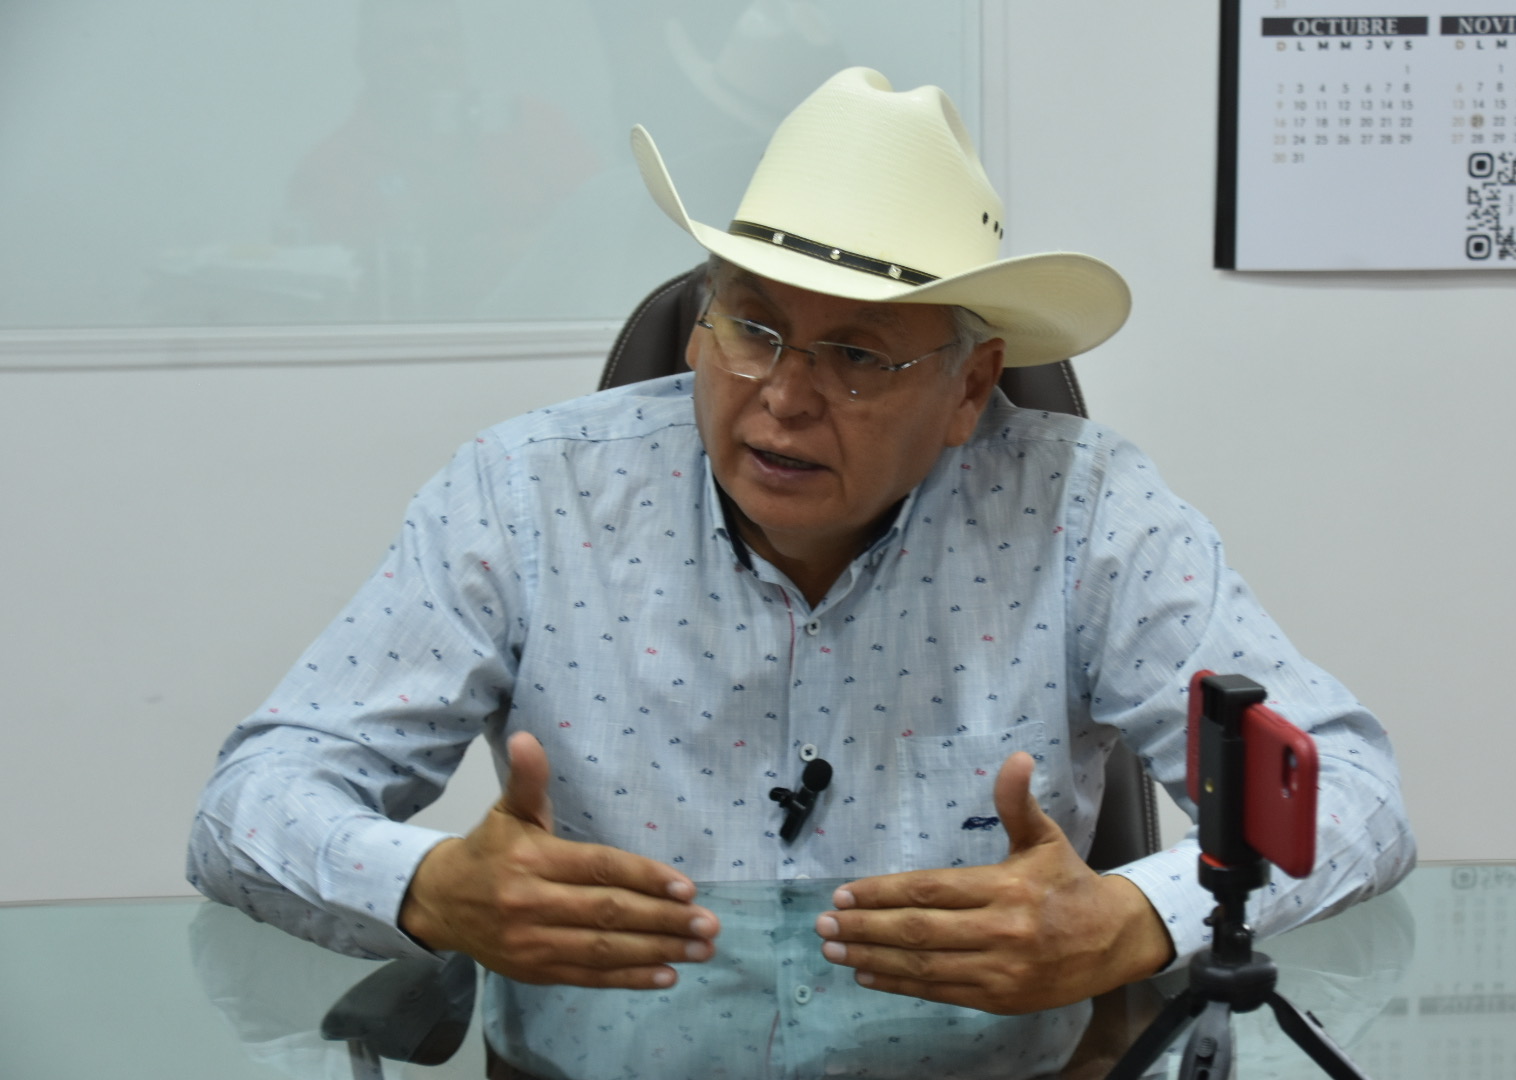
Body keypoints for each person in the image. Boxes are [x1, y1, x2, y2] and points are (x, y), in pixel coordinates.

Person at [189, 68, 1415, 1079]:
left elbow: (1352, 793)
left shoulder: (1085, 511)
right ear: (700, 320)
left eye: (857, 355)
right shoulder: (528, 493)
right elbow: (250, 801)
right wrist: (427, 887)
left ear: (971, 387)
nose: (780, 396)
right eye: (751, 325)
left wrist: (1136, 917)